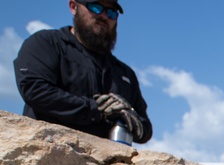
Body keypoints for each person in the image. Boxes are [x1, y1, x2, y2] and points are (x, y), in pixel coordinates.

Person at [13, 1, 152, 144]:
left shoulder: (124, 73)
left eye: (111, 12)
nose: (104, 16)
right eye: (95, 7)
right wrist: (95, 109)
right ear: (74, 7)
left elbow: (146, 128)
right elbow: (35, 90)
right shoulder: (46, 44)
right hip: (49, 155)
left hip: (105, 163)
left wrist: (130, 119)